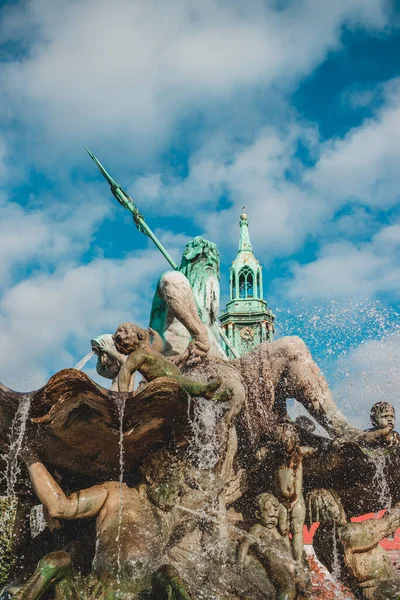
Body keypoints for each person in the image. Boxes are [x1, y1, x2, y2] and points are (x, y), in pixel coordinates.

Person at [17, 447, 193, 598]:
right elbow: (61, 507)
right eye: (171, 484)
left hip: (146, 595)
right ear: (151, 476)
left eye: (178, 488)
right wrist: (28, 453)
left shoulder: (166, 513)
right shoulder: (116, 493)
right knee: (56, 561)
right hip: (100, 593)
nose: (176, 494)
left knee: (168, 573)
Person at [309, 488, 400, 599]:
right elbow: (390, 522)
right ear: (337, 503)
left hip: (359, 591)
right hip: (385, 587)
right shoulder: (349, 532)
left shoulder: (318, 539)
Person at [114, 322, 232, 403]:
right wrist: (124, 395)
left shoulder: (149, 351)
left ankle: (215, 397)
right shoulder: (137, 354)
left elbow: (158, 346)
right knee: (185, 383)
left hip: (176, 378)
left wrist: (156, 336)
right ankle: (204, 390)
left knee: (190, 389)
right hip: (166, 382)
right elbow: (126, 371)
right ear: (138, 335)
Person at [237, 492, 308, 600]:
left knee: (304, 588)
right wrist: (240, 562)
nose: (273, 519)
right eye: (270, 516)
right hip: (277, 566)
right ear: (258, 515)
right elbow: (245, 543)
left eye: (275, 516)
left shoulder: (278, 530)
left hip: (290, 564)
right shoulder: (258, 528)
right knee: (288, 588)